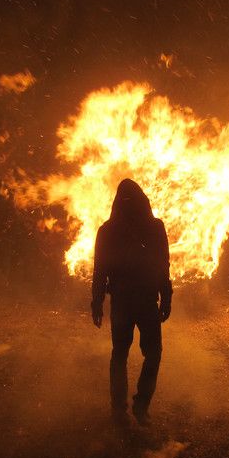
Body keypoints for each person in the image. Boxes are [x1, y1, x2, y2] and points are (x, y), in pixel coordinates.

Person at [91, 179, 172, 426]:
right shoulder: (155, 227)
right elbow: (163, 266)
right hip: (145, 301)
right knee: (153, 354)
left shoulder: (107, 230)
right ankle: (140, 406)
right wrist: (166, 297)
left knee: (120, 355)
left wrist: (96, 303)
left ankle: (119, 410)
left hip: (123, 302)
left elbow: (99, 271)